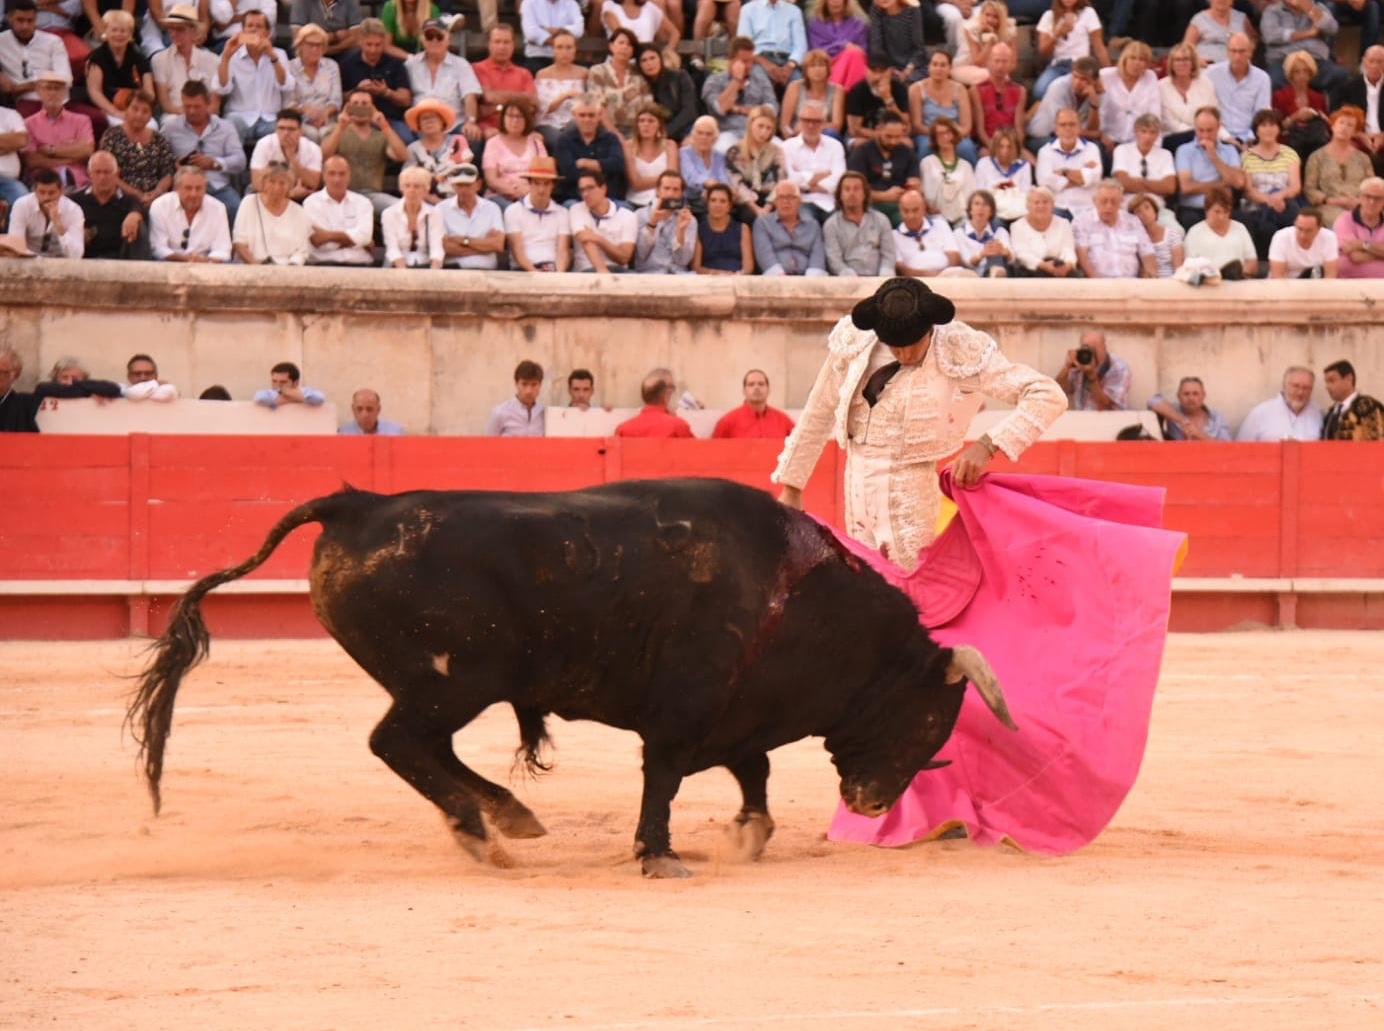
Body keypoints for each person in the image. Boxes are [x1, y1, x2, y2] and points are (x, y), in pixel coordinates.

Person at [773, 274, 1065, 572]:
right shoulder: (856, 340)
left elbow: (1047, 394)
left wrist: (988, 445)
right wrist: (793, 485)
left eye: (914, 344)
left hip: (911, 483)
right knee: (864, 581)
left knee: (913, 583)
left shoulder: (957, 346)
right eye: (895, 347)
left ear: (931, 328)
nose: (906, 354)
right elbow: (820, 408)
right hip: (856, 478)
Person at [163, 80, 245, 222]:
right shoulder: (170, 128)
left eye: (197, 106)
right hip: (184, 187)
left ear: (208, 104)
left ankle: (230, 244)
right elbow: (160, 158)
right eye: (187, 106)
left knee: (236, 208)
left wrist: (214, 163)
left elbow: (240, 160)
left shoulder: (225, 127)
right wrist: (175, 164)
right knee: (165, 210)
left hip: (217, 186)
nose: (191, 111)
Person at [321, 90, 409, 216]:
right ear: (348, 107)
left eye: (365, 104)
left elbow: (402, 155)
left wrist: (384, 126)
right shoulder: (336, 131)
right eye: (355, 104)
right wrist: (341, 126)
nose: (360, 107)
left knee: (401, 209)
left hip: (372, 196)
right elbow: (324, 156)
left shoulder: (381, 136)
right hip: (342, 193)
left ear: (373, 108)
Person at [216, 9, 294, 144]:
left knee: (282, 129)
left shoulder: (279, 54)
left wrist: (272, 56)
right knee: (231, 124)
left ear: (268, 33)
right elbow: (222, 88)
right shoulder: (230, 55)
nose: (253, 30)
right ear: (242, 31)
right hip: (240, 116)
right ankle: (235, 164)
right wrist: (226, 57)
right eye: (250, 26)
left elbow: (286, 85)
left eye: (258, 26)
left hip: (270, 118)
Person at [406, 20, 481, 153]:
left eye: (439, 36)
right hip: (420, 126)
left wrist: (471, 121)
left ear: (448, 39)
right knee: (402, 136)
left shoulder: (461, 64)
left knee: (472, 137)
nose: (434, 41)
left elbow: (469, 96)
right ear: (422, 39)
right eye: (429, 37)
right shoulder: (410, 65)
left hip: (453, 126)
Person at [337, 18, 412, 138]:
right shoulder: (347, 64)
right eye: (369, 44)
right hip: (357, 120)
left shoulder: (395, 63)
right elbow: (339, 99)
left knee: (407, 140)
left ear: (384, 43)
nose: (373, 50)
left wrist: (386, 92)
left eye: (378, 45)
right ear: (360, 42)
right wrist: (357, 90)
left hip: (390, 119)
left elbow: (406, 100)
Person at [702, 35, 778, 153]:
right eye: (744, 61)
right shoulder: (714, 81)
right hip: (729, 133)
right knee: (720, 150)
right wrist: (736, 80)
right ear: (730, 60)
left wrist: (738, 109)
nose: (748, 66)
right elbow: (721, 108)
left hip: (761, 133)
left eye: (751, 61)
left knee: (783, 149)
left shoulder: (760, 79)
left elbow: (772, 109)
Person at [1175, 106, 1247, 229]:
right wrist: (1223, 184)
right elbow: (1186, 187)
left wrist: (1214, 157)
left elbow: (1239, 182)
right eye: (1200, 130)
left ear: (1219, 127)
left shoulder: (1229, 150)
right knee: (1190, 221)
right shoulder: (1184, 150)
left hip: (1224, 208)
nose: (1205, 136)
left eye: (1209, 130)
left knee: (1244, 220)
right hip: (1193, 209)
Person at [96, 92, 173, 207]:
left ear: (151, 116)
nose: (139, 115)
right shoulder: (111, 136)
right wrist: (136, 194)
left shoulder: (159, 139)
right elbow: (107, 173)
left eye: (145, 111)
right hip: (121, 197)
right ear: (126, 110)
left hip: (155, 199)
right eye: (134, 109)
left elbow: (168, 174)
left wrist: (156, 193)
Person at [1261, 1, 1348, 99]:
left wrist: (1311, 10)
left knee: (1340, 76)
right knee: (1272, 81)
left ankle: (1333, 113)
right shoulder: (1273, 11)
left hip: (1315, 61)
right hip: (1283, 61)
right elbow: (1270, 35)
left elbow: (1333, 28)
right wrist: (1308, 33)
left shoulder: (1316, 7)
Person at [21, 73, 93, 189]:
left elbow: (87, 150)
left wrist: (50, 151)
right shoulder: (28, 124)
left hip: (78, 181)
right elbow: (32, 160)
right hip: (43, 184)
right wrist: (71, 156)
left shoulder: (82, 120)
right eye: (48, 88)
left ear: (65, 92)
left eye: (58, 89)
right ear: (38, 91)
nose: (53, 93)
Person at [846, 110, 919, 226]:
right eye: (888, 136)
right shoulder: (861, 152)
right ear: (878, 130)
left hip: (899, 206)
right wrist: (884, 196)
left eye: (898, 137)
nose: (893, 141)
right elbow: (854, 191)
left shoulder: (907, 153)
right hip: (871, 206)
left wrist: (911, 189)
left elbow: (914, 183)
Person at [1304, 106, 1373, 227]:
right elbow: (1310, 189)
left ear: (1356, 132)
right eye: (1341, 123)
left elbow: (1371, 186)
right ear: (1333, 126)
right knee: (1342, 222)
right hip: (1329, 207)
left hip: (1360, 205)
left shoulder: (1363, 158)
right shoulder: (1317, 157)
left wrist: (1360, 202)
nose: (1344, 128)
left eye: (1350, 125)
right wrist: (1332, 200)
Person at [233, 161, 312, 264]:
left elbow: (302, 251)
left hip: (288, 272)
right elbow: (239, 243)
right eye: (272, 181)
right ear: (264, 182)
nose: (276, 188)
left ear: (290, 186)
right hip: (254, 267)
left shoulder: (299, 212)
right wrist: (257, 267)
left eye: (282, 183)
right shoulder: (249, 203)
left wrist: (291, 268)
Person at [1074, 178, 1156, 279]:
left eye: (1114, 201)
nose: (1109, 206)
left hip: (1131, 283)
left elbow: (1147, 252)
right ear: (1094, 201)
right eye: (1104, 201)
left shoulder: (1133, 221)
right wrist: (1097, 283)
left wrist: (1149, 276)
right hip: (1097, 284)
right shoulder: (1082, 221)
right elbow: (1082, 257)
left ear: (1121, 202)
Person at [303, 153, 376, 265]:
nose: (337, 179)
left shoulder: (363, 202)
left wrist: (329, 236)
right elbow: (320, 242)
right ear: (324, 176)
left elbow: (365, 236)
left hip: (360, 266)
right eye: (332, 173)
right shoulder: (311, 203)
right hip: (324, 267)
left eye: (342, 174)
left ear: (349, 176)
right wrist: (357, 241)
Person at [0, 0, 72, 113]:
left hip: (60, 101)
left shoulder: (53, 41)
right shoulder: (2, 41)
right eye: (20, 20)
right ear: (10, 18)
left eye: (30, 21)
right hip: (27, 102)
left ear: (36, 20)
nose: (25, 26)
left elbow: (66, 78)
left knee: (98, 119)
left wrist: (24, 87)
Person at [85, 10, 153, 129]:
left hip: (136, 108)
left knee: (152, 126)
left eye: (123, 31)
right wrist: (115, 112)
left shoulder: (140, 58)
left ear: (130, 34)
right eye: (114, 30)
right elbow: (94, 91)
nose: (119, 35)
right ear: (105, 31)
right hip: (108, 108)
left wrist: (137, 111)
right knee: (120, 126)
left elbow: (149, 93)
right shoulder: (96, 58)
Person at [152, 4, 221, 121]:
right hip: (176, 114)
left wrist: (199, 115)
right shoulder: (159, 59)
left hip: (205, 115)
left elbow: (215, 104)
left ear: (193, 31)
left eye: (180, 29)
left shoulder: (212, 60)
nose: (173, 34)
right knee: (170, 121)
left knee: (216, 121)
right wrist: (188, 114)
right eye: (171, 28)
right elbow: (166, 104)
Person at [149, 164, 232, 261]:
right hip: (169, 263)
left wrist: (205, 260)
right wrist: (185, 259)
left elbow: (223, 250)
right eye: (188, 188)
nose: (193, 194)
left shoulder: (218, 208)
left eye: (198, 188)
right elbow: (158, 248)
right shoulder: (160, 206)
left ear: (205, 188)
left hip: (206, 266)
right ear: (176, 188)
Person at [73, 150, 146, 259]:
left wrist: (134, 215)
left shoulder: (128, 201)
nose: (102, 177)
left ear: (117, 174)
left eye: (107, 172)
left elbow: (140, 208)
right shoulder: (75, 200)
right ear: (90, 174)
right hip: (83, 260)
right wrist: (76, 232)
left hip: (120, 262)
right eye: (97, 172)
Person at [909, 50, 977, 167]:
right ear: (929, 67)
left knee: (966, 148)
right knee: (926, 148)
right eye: (935, 64)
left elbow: (966, 126)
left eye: (943, 65)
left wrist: (950, 135)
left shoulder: (960, 89)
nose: (938, 69)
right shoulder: (916, 89)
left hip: (954, 134)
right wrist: (938, 135)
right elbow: (917, 125)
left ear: (950, 68)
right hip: (927, 134)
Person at [504, 154, 571, 271]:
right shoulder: (513, 211)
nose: (541, 190)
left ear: (553, 185)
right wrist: (536, 274)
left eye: (546, 184)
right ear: (529, 183)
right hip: (523, 272)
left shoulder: (562, 213)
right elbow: (517, 251)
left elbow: (562, 251)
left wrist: (559, 276)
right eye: (536, 183)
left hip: (553, 270)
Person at [781, 100, 846, 219]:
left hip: (830, 201)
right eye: (806, 120)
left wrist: (805, 182)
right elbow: (790, 181)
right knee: (808, 224)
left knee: (838, 224)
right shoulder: (786, 147)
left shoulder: (835, 146)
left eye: (816, 121)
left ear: (824, 123)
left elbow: (839, 180)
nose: (811, 125)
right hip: (801, 202)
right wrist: (824, 175)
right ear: (800, 121)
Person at [1034, 0, 1109, 102]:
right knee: (1039, 91)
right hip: (1058, 65)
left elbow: (1098, 47)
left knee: (1073, 92)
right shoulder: (1049, 16)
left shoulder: (1088, 13)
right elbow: (1043, 51)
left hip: (1081, 64)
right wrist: (1057, 34)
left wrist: (1109, 72)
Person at [823, 169, 895, 275]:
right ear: (840, 195)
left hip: (879, 279)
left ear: (864, 193)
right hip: (848, 282)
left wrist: (884, 276)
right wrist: (849, 277)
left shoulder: (881, 220)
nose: (852, 193)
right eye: (847, 189)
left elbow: (888, 255)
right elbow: (834, 260)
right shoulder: (831, 225)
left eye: (856, 189)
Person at [558, 95, 628, 204]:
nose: (587, 119)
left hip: (610, 199)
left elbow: (618, 164)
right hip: (577, 199)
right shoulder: (564, 140)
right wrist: (602, 169)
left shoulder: (611, 138)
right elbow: (569, 172)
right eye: (582, 115)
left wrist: (586, 163)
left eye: (591, 115)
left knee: (626, 209)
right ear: (574, 116)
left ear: (599, 116)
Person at [1025, 54, 1099, 155]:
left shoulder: (1095, 92)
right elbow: (1065, 128)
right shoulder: (1059, 87)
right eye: (1075, 77)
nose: (1077, 82)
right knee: (1074, 150)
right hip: (1041, 138)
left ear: (1094, 81)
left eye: (1083, 79)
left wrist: (1094, 104)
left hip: (1070, 138)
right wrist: (1095, 134)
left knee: (1097, 148)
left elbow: (1091, 128)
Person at [473, 24, 537, 140]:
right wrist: (521, 99)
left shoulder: (524, 73)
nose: (502, 47)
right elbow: (489, 97)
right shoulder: (477, 68)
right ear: (489, 44)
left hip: (519, 128)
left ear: (513, 45)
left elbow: (532, 104)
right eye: (497, 42)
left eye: (506, 42)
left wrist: (496, 107)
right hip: (487, 128)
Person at [1205, 33, 1271, 143]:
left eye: (1242, 51)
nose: (1237, 56)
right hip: (1219, 137)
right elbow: (1207, 110)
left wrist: (1250, 139)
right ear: (1227, 52)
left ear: (1250, 52)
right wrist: (1226, 137)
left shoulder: (1262, 78)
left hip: (1251, 139)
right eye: (1233, 51)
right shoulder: (1211, 74)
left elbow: (1261, 115)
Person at [1036, 107, 1101, 217]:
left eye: (1072, 124)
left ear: (1079, 128)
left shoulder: (1092, 148)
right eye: (1063, 125)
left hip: (1087, 207)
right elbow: (1044, 181)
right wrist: (1080, 177)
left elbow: (1094, 177)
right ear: (1056, 129)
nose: (1068, 128)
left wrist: (1063, 173)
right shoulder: (1045, 151)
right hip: (1056, 207)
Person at [438, 162, 506, 269]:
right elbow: (444, 247)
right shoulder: (441, 209)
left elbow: (497, 244)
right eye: (460, 185)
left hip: (488, 272)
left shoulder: (492, 208)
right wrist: (483, 246)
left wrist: (463, 241)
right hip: (453, 272)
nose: (464, 190)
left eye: (468, 185)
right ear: (453, 186)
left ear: (478, 184)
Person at [753, 180, 828, 275]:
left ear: (800, 201)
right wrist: (782, 279)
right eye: (781, 197)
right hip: (774, 279)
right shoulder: (763, 223)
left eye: (790, 197)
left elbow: (818, 257)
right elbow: (765, 256)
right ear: (775, 201)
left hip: (808, 279)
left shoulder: (813, 226)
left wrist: (810, 281)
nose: (785, 201)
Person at [570, 168, 638, 272]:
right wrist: (602, 270)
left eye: (590, 188)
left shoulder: (628, 216)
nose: (585, 194)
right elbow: (587, 241)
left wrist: (598, 239)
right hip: (587, 270)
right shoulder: (576, 209)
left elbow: (624, 258)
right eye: (582, 190)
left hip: (619, 271)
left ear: (603, 188)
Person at [1183, 183, 1258, 277]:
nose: (1222, 217)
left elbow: (1252, 262)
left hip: (1237, 282)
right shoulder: (1194, 232)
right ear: (1207, 210)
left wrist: (1239, 275)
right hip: (1208, 284)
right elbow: (1189, 267)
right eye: (1217, 212)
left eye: (1226, 212)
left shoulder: (1240, 228)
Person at [483, 100, 548, 208]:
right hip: (501, 196)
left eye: (519, 116)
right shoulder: (493, 143)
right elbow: (491, 179)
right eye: (510, 116)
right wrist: (514, 191)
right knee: (512, 210)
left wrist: (530, 192)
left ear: (526, 119)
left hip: (532, 195)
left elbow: (545, 174)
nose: (515, 121)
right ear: (503, 118)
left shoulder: (536, 143)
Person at [726, 104, 785, 223]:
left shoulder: (776, 151)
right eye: (760, 126)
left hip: (770, 198)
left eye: (768, 128)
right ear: (751, 124)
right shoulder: (734, 151)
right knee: (749, 216)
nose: (764, 132)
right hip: (746, 201)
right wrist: (756, 208)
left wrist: (767, 207)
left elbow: (779, 181)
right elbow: (736, 182)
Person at [7, 167, 83, 256]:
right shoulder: (21, 206)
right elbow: (15, 246)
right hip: (28, 262)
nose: (46, 197)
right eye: (42, 192)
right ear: (34, 191)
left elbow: (77, 254)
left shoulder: (73, 210)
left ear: (61, 191)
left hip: (61, 263)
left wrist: (58, 225)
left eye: (51, 193)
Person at [588, 28, 649, 139]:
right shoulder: (598, 71)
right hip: (605, 129)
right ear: (611, 46)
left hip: (636, 130)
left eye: (629, 45)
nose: (624, 47)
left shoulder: (640, 73)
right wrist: (615, 133)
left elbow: (647, 105)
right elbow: (598, 106)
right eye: (621, 43)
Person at [1098, 40, 1158, 152]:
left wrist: (1152, 146)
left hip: (1137, 142)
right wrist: (1101, 135)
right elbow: (1098, 110)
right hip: (1107, 139)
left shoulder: (1150, 77)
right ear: (1124, 59)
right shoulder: (1105, 76)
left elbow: (1155, 113)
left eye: (1142, 59)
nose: (1137, 63)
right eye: (1133, 58)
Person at [288, 23, 343, 144]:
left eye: (319, 45)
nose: (315, 49)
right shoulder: (289, 67)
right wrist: (304, 110)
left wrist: (325, 114)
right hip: (300, 119)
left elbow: (336, 99)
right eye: (310, 45)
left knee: (328, 133)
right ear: (300, 45)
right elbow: (287, 102)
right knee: (310, 134)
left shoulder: (331, 66)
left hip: (328, 119)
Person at [250, 108, 322, 199]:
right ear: (275, 130)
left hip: (302, 196)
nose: (286, 133)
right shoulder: (264, 144)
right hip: (268, 194)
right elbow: (257, 183)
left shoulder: (313, 148)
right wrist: (289, 194)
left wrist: (292, 157)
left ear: (301, 131)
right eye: (281, 128)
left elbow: (313, 183)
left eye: (291, 129)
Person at [534, 30, 587, 151]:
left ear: (575, 50)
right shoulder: (542, 74)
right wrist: (565, 96)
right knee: (558, 139)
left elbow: (589, 101)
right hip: (547, 124)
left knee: (574, 129)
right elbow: (543, 108)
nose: (564, 52)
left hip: (574, 122)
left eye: (569, 47)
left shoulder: (584, 73)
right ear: (553, 50)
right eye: (559, 47)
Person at [1236, 365, 1323, 440]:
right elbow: (1240, 448)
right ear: (1284, 385)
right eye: (1295, 386)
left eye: (1306, 388)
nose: (1300, 392)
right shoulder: (1260, 413)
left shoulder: (1318, 414)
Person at [1159, 42, 1218, 152]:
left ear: (1193, 63)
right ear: (1171, 63)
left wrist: (1228, 138)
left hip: (1206, 135)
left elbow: (1213, 115)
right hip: (1173, 138)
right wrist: (1199, 134)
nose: (1182, 63)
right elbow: (1171, 124)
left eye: (1186, 59)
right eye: (1177, 60)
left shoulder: (1206, 83)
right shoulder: (1161, 87)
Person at [1111, 112, 1176, 211]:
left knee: (1174, 226)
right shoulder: (1122, 150)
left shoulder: (1165, 154)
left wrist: (1137, 181)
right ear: (1135, 131)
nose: (1148, 137)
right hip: (1127, 206)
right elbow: (1122, 183)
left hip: (1157, 206)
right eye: (1143, 131)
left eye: (1152, 132)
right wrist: (1156, 185)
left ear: (1158, 134)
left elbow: (1169, 187)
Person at [382, 164, 445, 267]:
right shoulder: (389, 214)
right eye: (407, 186)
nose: (411, 190)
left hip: (424, 265)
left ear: (426, 189)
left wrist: (434, 275)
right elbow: (392, 249)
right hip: (396, 266)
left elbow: (437, 248)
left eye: (416, 186)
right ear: (401, 188)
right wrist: (405, 275)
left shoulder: (435, 214)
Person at [635, 168, 696, 272]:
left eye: (675, 189)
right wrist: (652, 223)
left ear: (681, 194)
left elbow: (683, 261)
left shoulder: (689, 219)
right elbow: (640, 256)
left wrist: (680, 232)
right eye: (666, 188)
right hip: (649, 274)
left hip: (679, 275)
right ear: (657, 190)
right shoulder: (640, 215)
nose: (671, 193)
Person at [919, 116, 975, 226]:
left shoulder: (965, 166)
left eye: (948, 133)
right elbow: (923, 193)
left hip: (961, 217)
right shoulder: (927, 163)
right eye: (940, 134)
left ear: (954, 134)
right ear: (935, 139)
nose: (945, 137)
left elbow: (971, 195)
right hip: (935, 217)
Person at [402, 97, 463, 199]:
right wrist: (431, 200)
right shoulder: (413, 149)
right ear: (419, 124)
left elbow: (465, 174)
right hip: (424, 201)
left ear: (442, 121)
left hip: (456, 200)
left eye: (433, 117)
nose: (429, 121)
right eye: (424, 118)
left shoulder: (457, 141)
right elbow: (408, 181)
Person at [635, 43, 697, 143]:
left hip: (682, 128)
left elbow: (689, 111)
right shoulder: (639, 83)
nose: (649, 63)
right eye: (644, 60)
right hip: (650, 131)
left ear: (660, 59)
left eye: (652, 58)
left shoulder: (680, 77)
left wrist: (666, 132)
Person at [1010, 184, 1077, 276]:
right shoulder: (1017, 226)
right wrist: (1043, 265)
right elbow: (1022, 253)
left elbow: (1068, 250)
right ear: (1028, 206)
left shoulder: (1064, 223)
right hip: (1031, 270)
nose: (1041, 206)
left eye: (1045, 202)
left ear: (1053, 205)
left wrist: (1067, 265)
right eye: (1036, 202)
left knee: (1074, 275)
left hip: (1060, 267)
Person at [1273, 49, 1330, 157]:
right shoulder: (1279, 97)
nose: (1302, 75)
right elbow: (1276, 129)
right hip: (1288, 146)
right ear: (1290, 74)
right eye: (1297, 71)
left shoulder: (1318, 98)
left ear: (1311, 73)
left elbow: (1327, 126)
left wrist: (1320, 117)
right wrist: (1295, 117)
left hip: (1314, 145)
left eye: (1305, 71)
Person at [845, 54, 909, 148]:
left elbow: (906, 125)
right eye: (873, 71)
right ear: (866, 70)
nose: (877, 77)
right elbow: (854, 129)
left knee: (907, 144)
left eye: (882, 71)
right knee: (860, 144)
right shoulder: (856, 91)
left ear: (890, 71)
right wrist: (882, 137)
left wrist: (888, 98)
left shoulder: (899, 89)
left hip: (894, 136)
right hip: (863, 136)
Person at [1336, 46, 1383, 175]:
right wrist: (1359, 134)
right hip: (1357, 136)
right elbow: (1338, 116)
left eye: (1380, 62)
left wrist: (1382, 136)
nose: (1375, 66)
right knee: (1346, 147)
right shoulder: (1349, 86)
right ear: (1364, 62)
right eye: (1371, 61)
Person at [893, 187, 961, 276]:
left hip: (947, 279)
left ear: (924, 209)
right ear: (900, 212)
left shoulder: (941, 225)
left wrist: (945, 277)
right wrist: (932, 277)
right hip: (914, 282)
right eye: (906, 211)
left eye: (915, 210)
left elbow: (954, 256)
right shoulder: (893, 236)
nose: (911, 216)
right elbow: (901, 269)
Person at [1056, 329, 1129, 410]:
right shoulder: (1079, 363)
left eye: (1094, 348)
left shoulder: (1118, 367)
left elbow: (1104, 404)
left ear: (1104, 347)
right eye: (1086, 347)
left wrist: (1091, 375)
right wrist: (1066, 367)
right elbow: (1057, 392)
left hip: (1112, 420)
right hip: (1082, 419)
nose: (1089, 353)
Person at [805, 0, 869, 90]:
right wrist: (843, 45)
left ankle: (842, 95)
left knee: (855, 55)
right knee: (853, 53)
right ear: (824, 2)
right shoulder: (815, 24)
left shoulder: (858, 24)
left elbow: (863, 51)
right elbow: (818, 52)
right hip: (827, 66)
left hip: (853, 67)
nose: (835, 2)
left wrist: (848, 52)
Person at [713, 369, 796, 438]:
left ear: (768, 390)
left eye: (761, 384)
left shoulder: (784, 422)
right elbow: (713, 452)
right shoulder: (727, 422)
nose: (756, 388)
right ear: (744, 391)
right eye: (751, 384)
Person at [781, 48, 843, 140]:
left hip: (824, 136)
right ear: (806, 70)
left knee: (831, 133)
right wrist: (790, 139)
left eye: (821, 65)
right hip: (797, 136)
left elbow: (837, 125)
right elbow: (784, 125)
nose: (817, 69)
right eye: (812, 66)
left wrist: (809, 128)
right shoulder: (795, 87)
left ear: (828, 68)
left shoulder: (837, 90)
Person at [693, 181, 754, 273]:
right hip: (708, 281)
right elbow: (696, 267)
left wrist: (736, 276)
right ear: (707, 204)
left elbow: (748, 267)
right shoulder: (699, 229)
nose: (717, 205)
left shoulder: (743, 229)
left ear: (729, 206)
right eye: (713, 200)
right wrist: (715, 273)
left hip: (737, 280)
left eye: (723, 201)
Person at [1147, 376, 1232, 440]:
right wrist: (1183, 421)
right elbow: (1153, 401)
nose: (1191, 398)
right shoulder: (1172, 411)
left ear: (1203, 396)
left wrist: (1199, 435)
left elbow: (1227, 446)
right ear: (1178, 396)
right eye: (1186, 394)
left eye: (1195, 393)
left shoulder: (1216, 417)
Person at [615, 369, 694, 437]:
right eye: (672, 388)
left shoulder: (622, 430)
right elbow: (699, 450)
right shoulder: (678, 426)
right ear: (667, 394)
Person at [1321, 358, 1384, 440]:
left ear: (1348, 379)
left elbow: (1377, 442)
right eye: (1326, 382)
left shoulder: (1368, 406)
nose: (1327, 387)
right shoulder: (1331, 413)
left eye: (1332, 381)